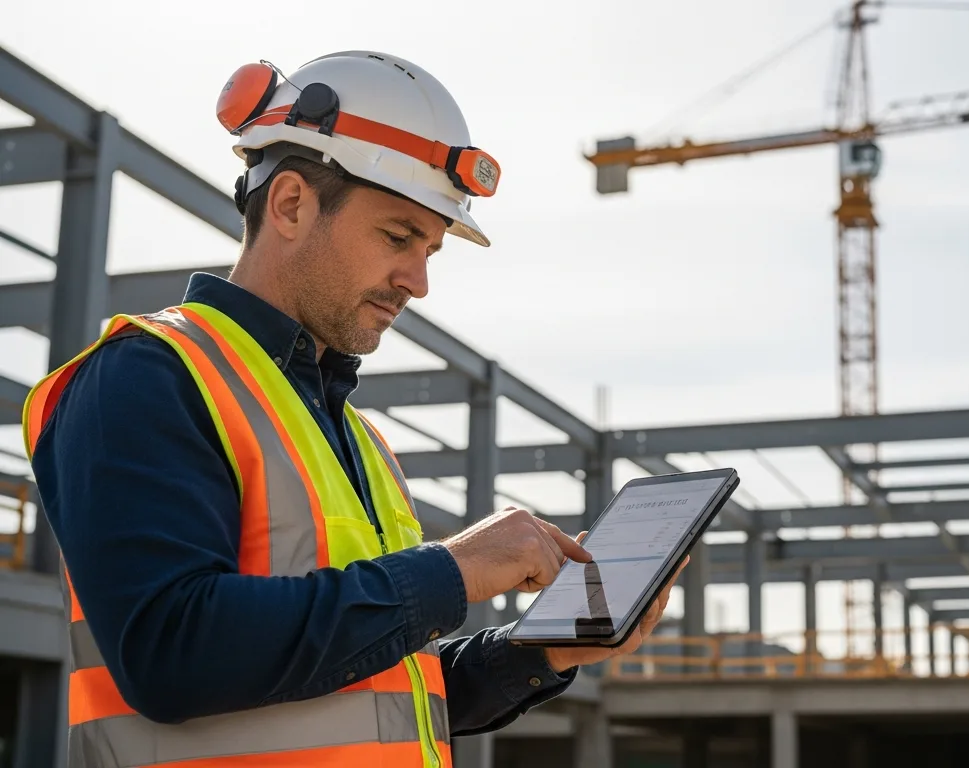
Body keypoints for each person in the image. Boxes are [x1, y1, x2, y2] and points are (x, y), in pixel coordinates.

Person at [22, 50, 683, 767]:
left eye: (431, 249)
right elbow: (171, 655)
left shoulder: (357, 439)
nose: (419, 281)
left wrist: (544, 647)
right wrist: (453, 571)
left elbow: (380, 691)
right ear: (291, 204)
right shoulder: (146, 376)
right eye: (399, 237)